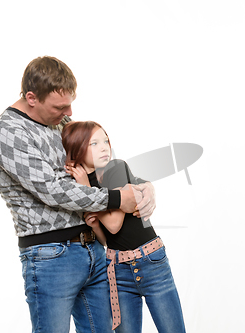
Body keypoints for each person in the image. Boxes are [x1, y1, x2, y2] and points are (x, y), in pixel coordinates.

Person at [0, 56, 156, 333]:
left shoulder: (60, 122)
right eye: (60, 106)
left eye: (70, 103)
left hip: (94, 249)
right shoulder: (7, 132)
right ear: (31, 98)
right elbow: (52, 190)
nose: (70, 112)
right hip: (51, 257)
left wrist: (143, 186)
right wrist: (116, 199)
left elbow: (99, 165)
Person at [61, 121, 186, 333]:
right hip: (117, 270)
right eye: (94, 143)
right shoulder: (80, 186)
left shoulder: (115, 167)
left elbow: (114, 224)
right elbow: (107, 239)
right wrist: (94, 224)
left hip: (150, 261)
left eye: (105, 141)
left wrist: (86, 190)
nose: (104, 147)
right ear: (77, 150)